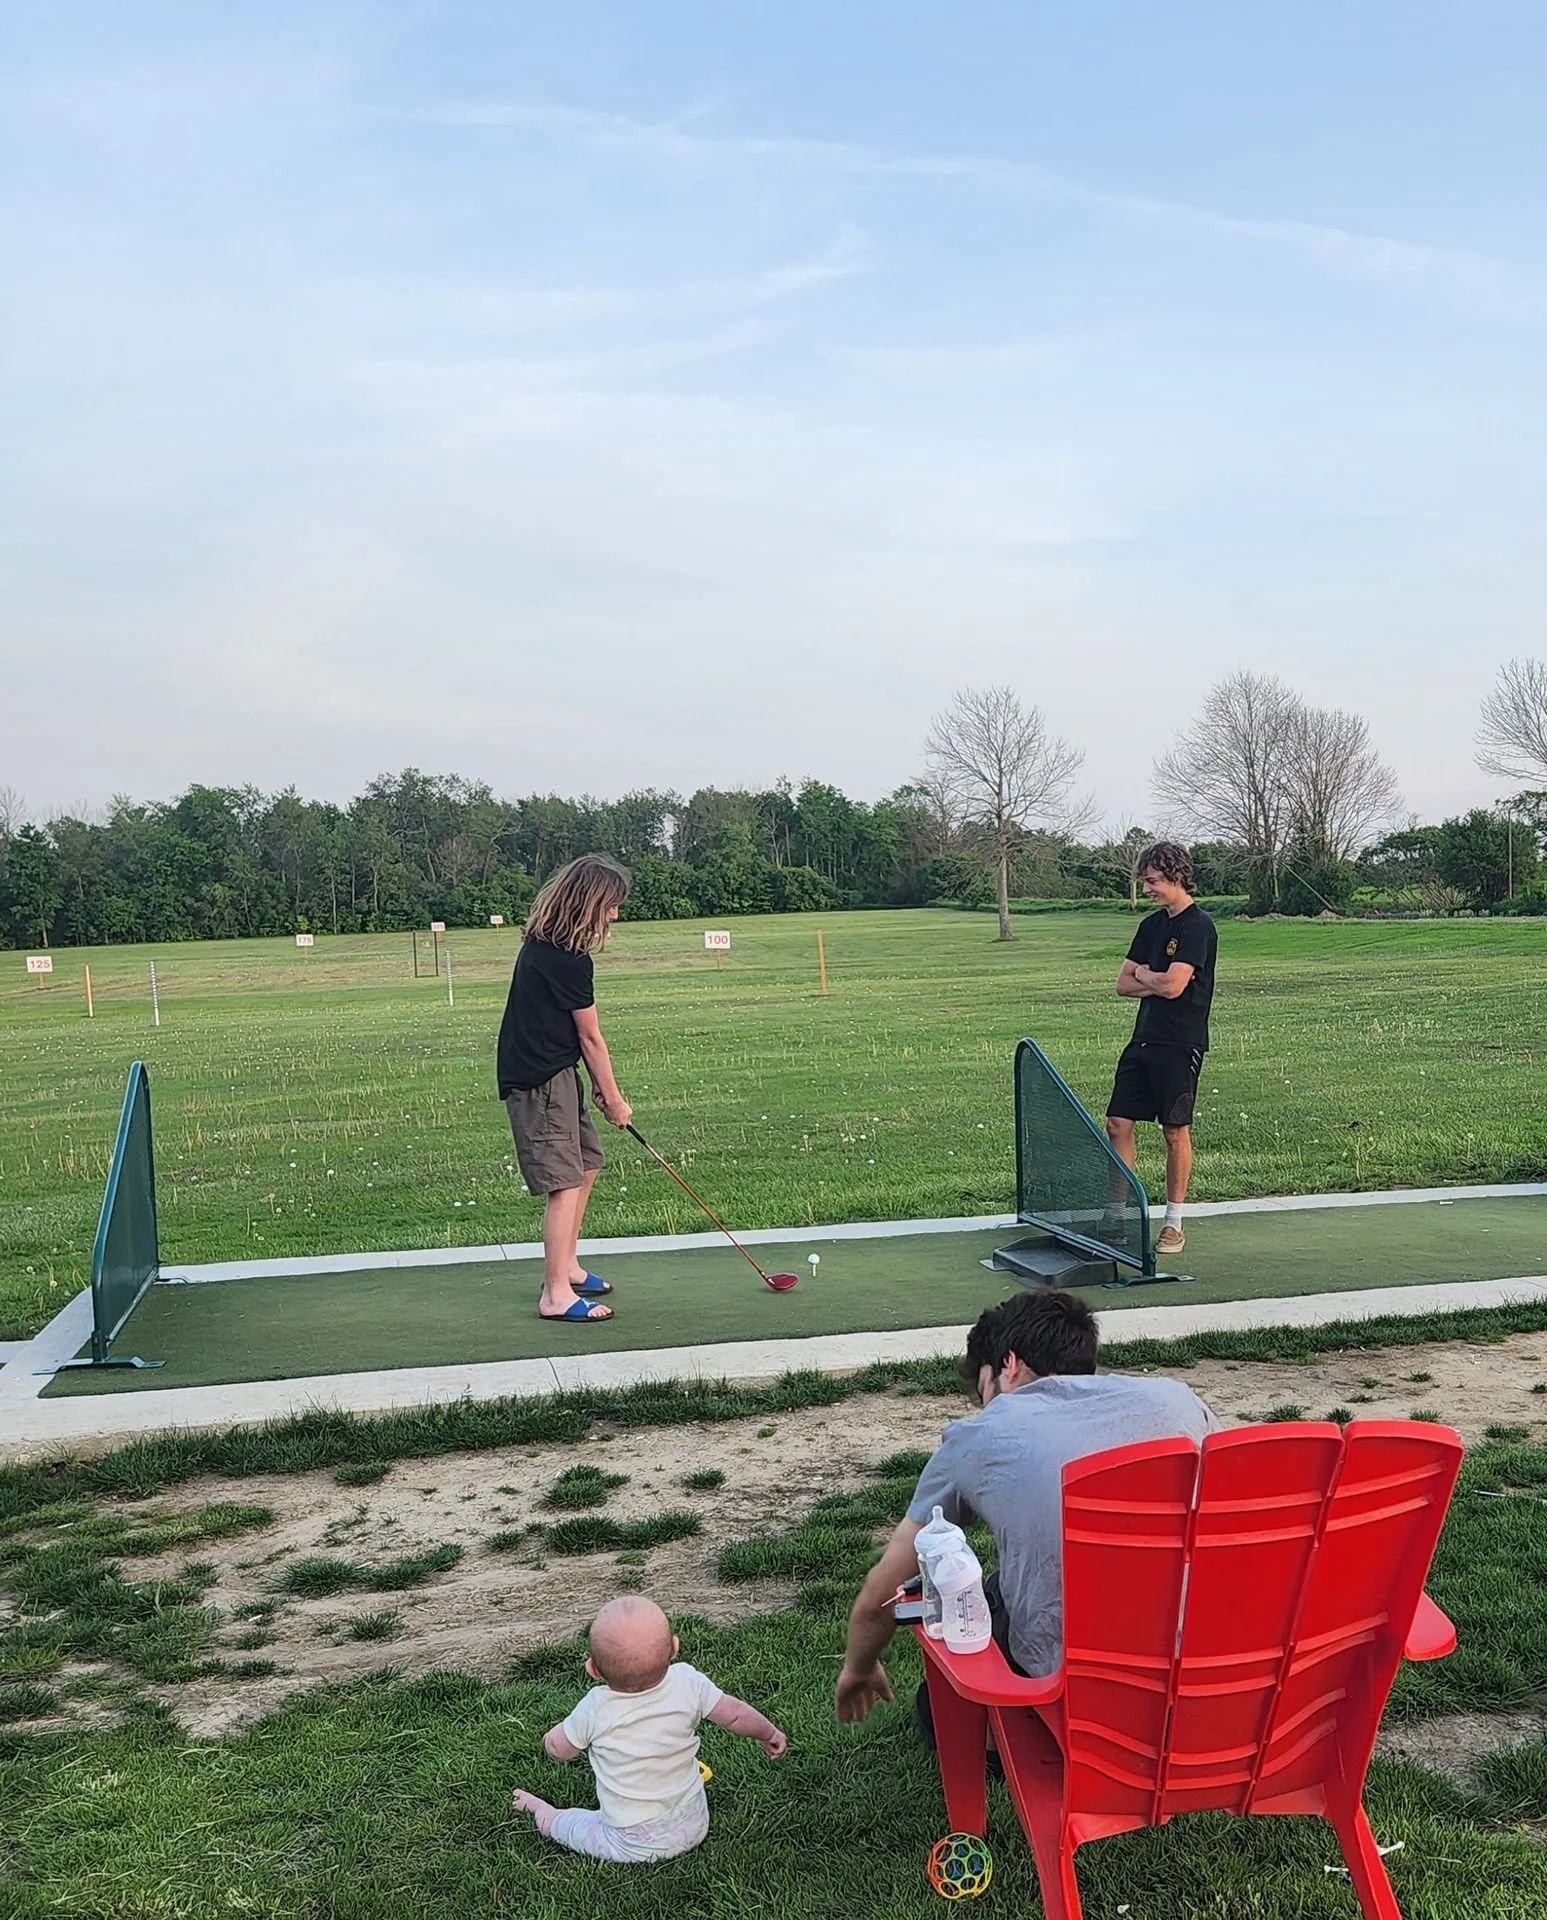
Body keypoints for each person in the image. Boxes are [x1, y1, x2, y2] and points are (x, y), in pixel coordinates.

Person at [833, 1289, 1217, 1725]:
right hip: (1212, 1666)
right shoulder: (1179, 1400)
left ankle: (1005, 1740)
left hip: (1074, 1690)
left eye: (984, 1391)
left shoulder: (979, 1437)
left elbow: (885, 1587)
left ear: (1009, 1365)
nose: (986, 1408)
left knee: (939, 1702)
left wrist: (858, 1668)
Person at [512, 1595, 787, 1863]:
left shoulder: (596, 1707)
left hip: (632, 1841)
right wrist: (769, 1733)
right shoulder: (687, 1683)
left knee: (571, 1825)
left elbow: (561, 1749)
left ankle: (544, 1813)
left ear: (593, 1669)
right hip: (693, 1822)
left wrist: (550, 1739)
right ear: (674, 1648)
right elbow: (736, 1715)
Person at [496, 853, 633, 1322]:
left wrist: (593, 1084)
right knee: (565, 1182)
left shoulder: (542, 946)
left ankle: (567, 1265)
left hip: (556, 1071)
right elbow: (591, 1037)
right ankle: (555, 1294)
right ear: (590, 903)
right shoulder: (568, 960)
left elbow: (575, 1037)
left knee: (588, 1163)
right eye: (611, 905)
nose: (615, 914)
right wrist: (613, 1098)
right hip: (539, 1081)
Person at [1106, 840, 1218, 1257]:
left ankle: (1173, 1223)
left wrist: (1150, 977)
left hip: (1180, 1042)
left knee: (1174, 1130)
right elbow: (1122, 983)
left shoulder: (1198, 926)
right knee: (1118, 1122)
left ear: (1175, 875)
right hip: (1143, 1037)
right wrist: (1158, 978)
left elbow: (1173, 987)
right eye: (1145, 881)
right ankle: (1117, 1216)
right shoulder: (1150, 926)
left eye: (1152, 881)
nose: (1147, 888)